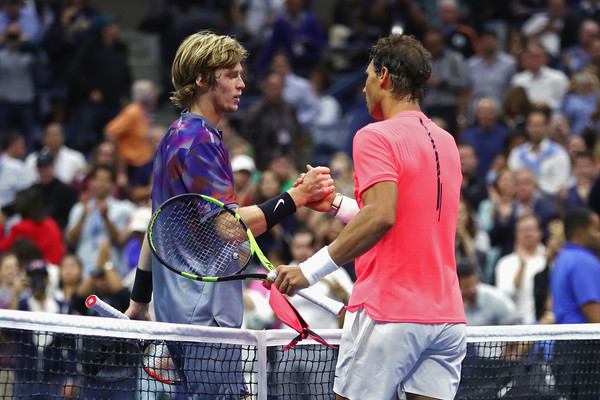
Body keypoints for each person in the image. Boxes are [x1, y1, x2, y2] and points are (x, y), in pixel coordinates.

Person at [124, 31, 334, 399]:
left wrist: (140, 301)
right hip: (205, 313)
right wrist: (297, 196)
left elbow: (155, 231)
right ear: (203, 80)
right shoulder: (200, 140)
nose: (242, 82)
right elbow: (230, 228)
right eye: (231, 74)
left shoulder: (174, 135)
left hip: (179, 311)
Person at [270, 34, 466, 400]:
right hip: (447, 318)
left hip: (390, 312)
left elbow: (380, 216)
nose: (363, 88)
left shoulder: (375, 136)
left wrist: (307, 271)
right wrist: (334, 205)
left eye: (368, 77)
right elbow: (401, 215)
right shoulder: (447, 142)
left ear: (386, 77)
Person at [550, 207, 600, 399]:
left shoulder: (564, 257)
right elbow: (595, 316)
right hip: (584, 352)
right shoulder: (583, 261)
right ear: (581, 232)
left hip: (565, 351)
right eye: (596, 229)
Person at [457, 259, 516, 326]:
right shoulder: (453, 303)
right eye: (466, 287)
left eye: (473, 284)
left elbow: (510, 325)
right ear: (458, 286)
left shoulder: (496, 298)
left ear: (477, 279)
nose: (472, 289)